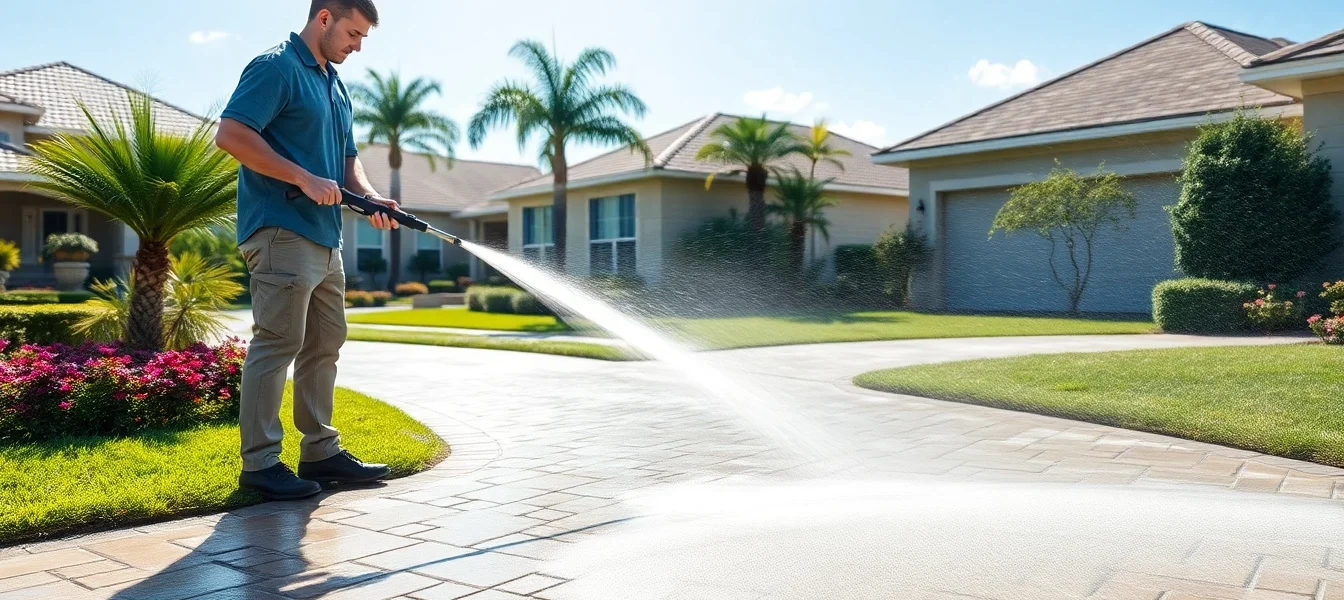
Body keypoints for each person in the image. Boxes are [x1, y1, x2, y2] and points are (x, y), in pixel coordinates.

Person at [215, 0, 396, 500]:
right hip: (279, 229)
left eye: (362, 38)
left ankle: (321, 450)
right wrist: (301, 176)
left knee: (325, 344)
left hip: (324, 237)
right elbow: (230, 135)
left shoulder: (334, 84)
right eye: (353, 33)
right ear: (324, 18)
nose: (356, 46)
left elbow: (346, 162)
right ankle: (259, 465)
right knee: (278, 343)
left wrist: (371, 197)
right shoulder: (276, 67)